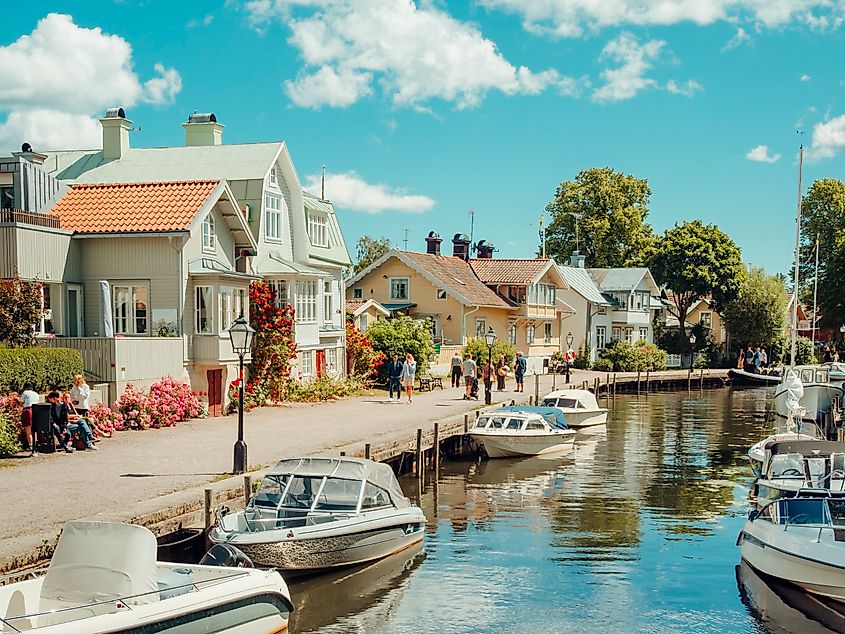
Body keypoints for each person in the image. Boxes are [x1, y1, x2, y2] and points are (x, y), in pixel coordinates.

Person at [20, 382, 39, 451]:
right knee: (35, 429)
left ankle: (31, 445)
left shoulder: (25, 393)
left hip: (28, 411)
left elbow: (21, 402)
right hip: (36, 411)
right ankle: (35, 444)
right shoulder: (36, 394)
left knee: (28, 429)